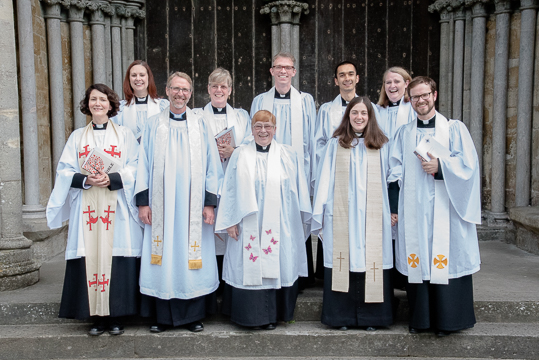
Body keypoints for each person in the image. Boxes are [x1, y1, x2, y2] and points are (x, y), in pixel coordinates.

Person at [387, 76, 481, 336]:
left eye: (425, 94)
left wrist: (442, 168)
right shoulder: (404, 134)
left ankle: (448, 321)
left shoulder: (453, 129)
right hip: (414, 211)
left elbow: (469, 168)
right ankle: (422, 320)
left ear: (435, 95)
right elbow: (393, 172)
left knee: (445, 259)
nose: (420, 100)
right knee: (419, 260)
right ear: (410, 100)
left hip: (446, 210)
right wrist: (394, 208)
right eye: (415, 97)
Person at [46, 84, 142, 336]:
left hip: (117, 206)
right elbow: (65, 170)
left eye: (102, 99)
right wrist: (86, 180)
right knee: (90, 256)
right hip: (88, 207)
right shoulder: (77, 137)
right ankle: (96, 318)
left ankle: (117, 316)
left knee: (116, 256)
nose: (97, 103)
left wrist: (114, 178)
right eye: (92, 100)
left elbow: (136, 166)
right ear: (87, 105)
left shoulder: (125, 135)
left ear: (111, 105)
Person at [135, 72, 224, 333]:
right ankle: (162, 317)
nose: (180, 94)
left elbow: (212, 165)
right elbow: (142, 164)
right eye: (175, 89)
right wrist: (143, 202)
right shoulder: (153, 124)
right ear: (166, 90)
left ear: (190, 93)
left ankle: (192, 316)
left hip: (192, 208)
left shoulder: (200, 124)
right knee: (163, 258)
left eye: (185, 90)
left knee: (189, 258)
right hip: (160, 206)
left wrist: (209, 203)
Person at [215, 110, 311, 330]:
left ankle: (274, 315)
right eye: (258, 126)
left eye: (268, 126)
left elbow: (297, 192)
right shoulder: (239, 154)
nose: (263, 131)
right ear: (251, 129)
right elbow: (229, 188)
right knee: (246, 265)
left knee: (276, 264)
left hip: (278, 223)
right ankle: (249, 316)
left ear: (275, 129)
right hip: (245, 222)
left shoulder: (287, 155)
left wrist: (296, 222)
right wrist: (229, 220)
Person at [311, 97, 394, 331]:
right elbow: (324, 179)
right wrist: (322, 212)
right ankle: (341, 317)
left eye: (363, 114)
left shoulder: (382, 145)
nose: (359, 117)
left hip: (373, 216)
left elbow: (392, 177)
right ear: (347, 116)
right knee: (342, 260)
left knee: (372, 260)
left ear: (370, 117)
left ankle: (373, 318)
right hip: (342, 215)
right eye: (354, 113)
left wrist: (394, 210)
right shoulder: (334, 144)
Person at [250, 52, 317, 288]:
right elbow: (254, 134)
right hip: (267, 170)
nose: (283, 72)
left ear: (294, 72)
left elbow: (312, 138)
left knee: (295, 219)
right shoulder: (260, 101)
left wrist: (310, 174)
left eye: (288, 67)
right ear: (271, 71)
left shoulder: (306, 101)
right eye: (278, 67)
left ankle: (297, 275)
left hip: (297, 170)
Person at [193, 68, 252, 292]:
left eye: (223, 86)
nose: (219, 90)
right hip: (206, 184)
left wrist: (233, 150)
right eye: (215, 86)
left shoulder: (241, 116)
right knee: (208, 235)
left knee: (232, 234)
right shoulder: (196, 116)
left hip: (233, 180)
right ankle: (208, 285)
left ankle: (229, 286)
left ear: (230, 90)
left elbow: (250, 144)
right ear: (208, 89)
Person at [313, 60, 360, 279]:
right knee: (333, 219)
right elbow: (318, 143)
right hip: (334, 175)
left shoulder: (366, 108)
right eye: (342, 75)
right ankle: (329, 272)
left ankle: (358, 269)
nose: (347, 78)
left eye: (351, 74)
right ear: (336, 81)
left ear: (357, 78)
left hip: (361, 178)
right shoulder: (326, 110)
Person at [376, 67, 414, 291]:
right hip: (379, 175)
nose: (392, 86)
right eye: (387, 82)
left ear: (407, 83)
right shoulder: (377, 111)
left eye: (397, 81)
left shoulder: (412, 110)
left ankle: (405, 276)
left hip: (405, 177)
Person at [112, 60, 169, 142]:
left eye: (142, 75)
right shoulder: (120, 108)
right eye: (134, 75)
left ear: (148, 78)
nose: (138, 79)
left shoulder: (163, 106)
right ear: (129, 79)